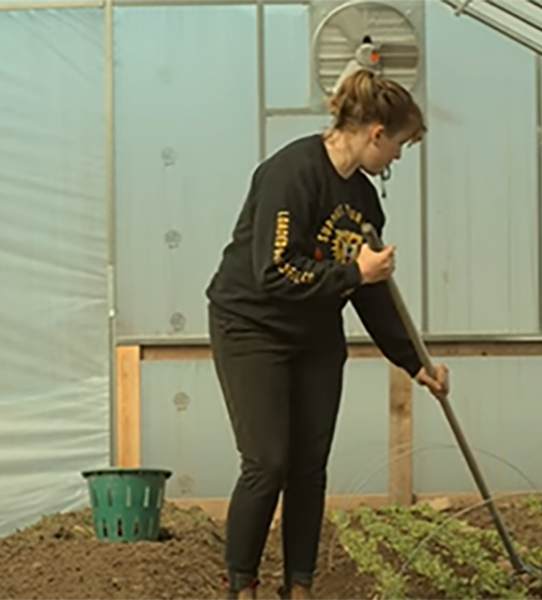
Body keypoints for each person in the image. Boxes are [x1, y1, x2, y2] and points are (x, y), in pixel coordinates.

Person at [205, 68, 450, 600]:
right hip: (251, 326)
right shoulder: (291, 173)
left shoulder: (365, 201)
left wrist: (416, 362)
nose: (398, 159)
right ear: (376, 133)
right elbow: (274, 271)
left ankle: (299, 586)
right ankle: (240, 584)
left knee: (308, 466)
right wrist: (354, 274)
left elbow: (372, 294)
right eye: (400, 145)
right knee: (267, 462)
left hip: (314, 334)